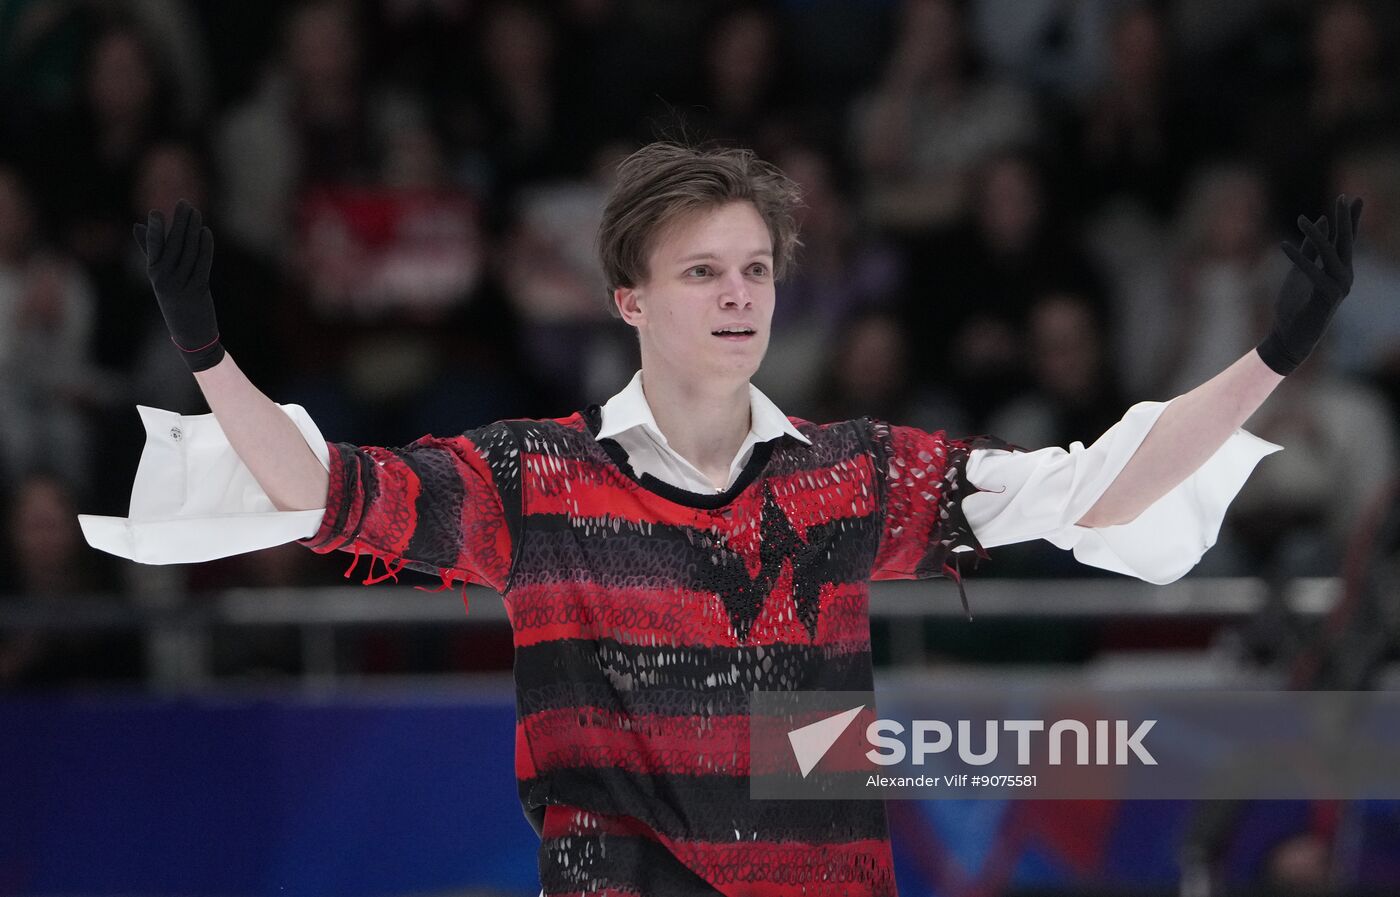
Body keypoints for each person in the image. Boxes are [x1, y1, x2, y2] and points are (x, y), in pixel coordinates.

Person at [81, 142, 1361, 896]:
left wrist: (1269, 355)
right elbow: (317, 492)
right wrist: (207, 352)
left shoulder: (851, 476)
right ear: (628, 300)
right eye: (703, 271)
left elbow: (1096, 491)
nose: (737, 294)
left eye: (754, 269)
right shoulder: (535, 478)